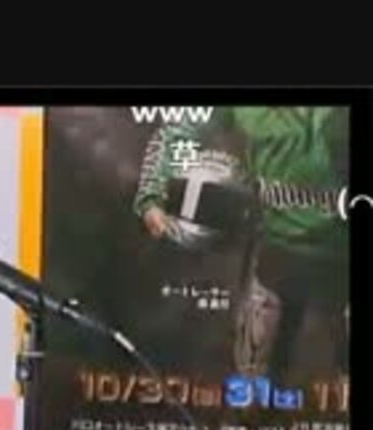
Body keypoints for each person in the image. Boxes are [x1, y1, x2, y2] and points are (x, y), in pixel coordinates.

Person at [132, 107, 349, 384]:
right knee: (253, 372)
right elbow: (176, 132)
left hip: (341, 257)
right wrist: (151, 195)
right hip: (274, 254)